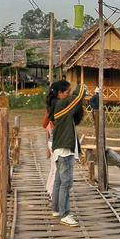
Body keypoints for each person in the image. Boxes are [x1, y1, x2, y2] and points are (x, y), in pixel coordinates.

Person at [45, 79, 84, 227]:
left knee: (59, 181)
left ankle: (56, 209)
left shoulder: (57, 105)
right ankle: (65, 214)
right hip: (64, 151)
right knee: (66, 183)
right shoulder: (61, 105)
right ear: (60, 94)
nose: (69, 95)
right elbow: (79, 96)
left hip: (59, 149)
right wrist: (82, 83)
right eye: (67, 92)